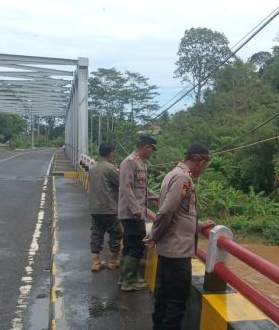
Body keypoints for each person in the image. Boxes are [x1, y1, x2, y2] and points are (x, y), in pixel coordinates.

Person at [146, 143, 215, 330]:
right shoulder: (182, 178)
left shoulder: (173, 174)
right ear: (200, 162)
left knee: (164, 299)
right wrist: (154, 235)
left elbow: (179, 214)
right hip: (177, 253)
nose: (204, 170)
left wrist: (200, 226)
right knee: (175, 305)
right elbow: (166, 211)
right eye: (205, 166)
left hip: (170, 250)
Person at [118, 135, 159, 291]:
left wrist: (155, 198)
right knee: (136, 246)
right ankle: (129, 281)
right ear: (147, 147)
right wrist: (136, 210)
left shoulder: (140, 163)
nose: (152, 153)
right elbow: (126, 188)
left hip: (135, 213)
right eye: (152, 150)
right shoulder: (129, 162)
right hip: (132, 214)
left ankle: (124, 278)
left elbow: (141, 188)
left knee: (129, 246)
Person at [87, 142, 123, 272]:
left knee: (96, 234)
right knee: (116, 233)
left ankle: (96, 263)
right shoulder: (110, 168)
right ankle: (113, 261)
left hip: (94, 208)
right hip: (109, 208)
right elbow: (121, 183)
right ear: (110, 153)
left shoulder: (93, 168)